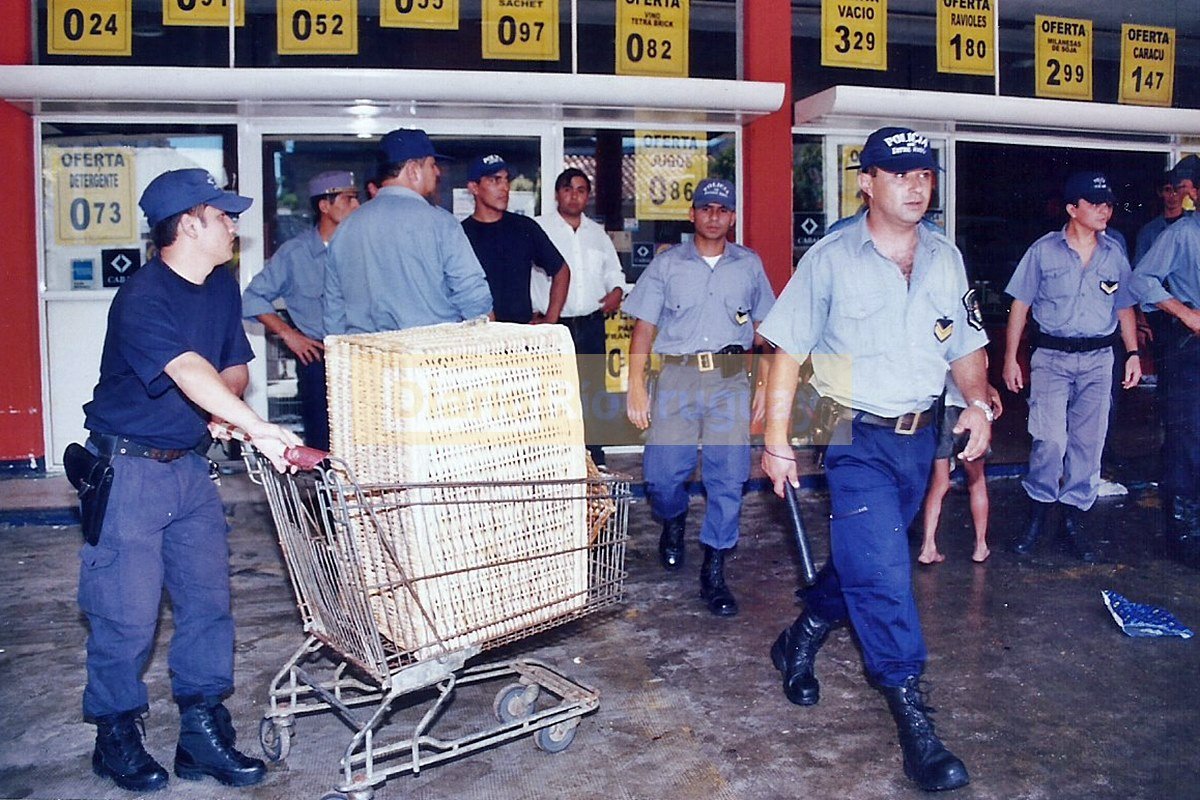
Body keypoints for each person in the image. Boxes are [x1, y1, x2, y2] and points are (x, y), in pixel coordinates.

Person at [760, 127, 991, 793]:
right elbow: (787, 352)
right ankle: (915, 720)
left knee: (866, 556)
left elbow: (966, 347)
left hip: (922, 435)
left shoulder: (946, 258)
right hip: (850, 432)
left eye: (925, 173)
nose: (917, 185)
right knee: (886, 574)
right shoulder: (831, 258)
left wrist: (976, 402)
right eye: (900, 173)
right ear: (866, 181)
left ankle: (801, 636)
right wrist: (776, 442)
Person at [79, 168, 301, 792]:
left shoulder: (222, 289)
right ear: (188, 224)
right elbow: (184, 367)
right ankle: (115, 732)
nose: (235, 225)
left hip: (191, 470)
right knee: (124, 613)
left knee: (208, 606)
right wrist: (255, 427)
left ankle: (202, 734)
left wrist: (221, 408)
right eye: (223, 214)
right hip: (130, 472)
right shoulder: (143, 296)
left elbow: (228, 371)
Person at [624, 178, 775, 617]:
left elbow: (767, 332)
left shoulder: (749, 265)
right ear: (692, 214)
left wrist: (764, 384)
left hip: (730, 381)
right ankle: (672, 521)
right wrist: (636, 385)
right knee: (663, 477)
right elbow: (644, 328)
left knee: (729, 477)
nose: (714, 215)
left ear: (732, 217)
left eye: (722, 209)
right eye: (705, 207)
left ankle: (714, 567)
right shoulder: (668, 265)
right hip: (676, 379)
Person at [1003, 171, 1141, 562]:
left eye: (1108, 204)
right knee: (1050, 440)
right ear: (1071, 208)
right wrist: (1011, 358)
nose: (1104, 210)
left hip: (1099, 361)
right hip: (1051, 359)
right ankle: (1038, 513)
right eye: (1095, 203)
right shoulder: (1044, 251)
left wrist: (1132, 354)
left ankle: (1071, 521)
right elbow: (1021, 305)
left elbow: (1124, 305)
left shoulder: (1114, 253)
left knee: (1088, 445)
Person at [324, 128, 493, 335]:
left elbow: (333, 314)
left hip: (367, 361)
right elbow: (474, 299)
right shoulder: (441, 223)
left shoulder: (345, 230)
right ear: (413, 169)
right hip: (430, 358)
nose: (437, 172)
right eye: (432, 165)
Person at [241, 170, 359, 451]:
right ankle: (327, 496)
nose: (357, 206)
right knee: (323, 443)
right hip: (319, 359)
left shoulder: (364, 247)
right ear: (324, 205)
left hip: (361, 356)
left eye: (357, 199)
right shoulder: (295, 254)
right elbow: (253, 297)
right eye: (348, 199)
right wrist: (289, 334)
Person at [1132, 156, 1200, 568]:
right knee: (1187, 438)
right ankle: (1185, 535)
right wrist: (1185, 313)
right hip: (1190, 346)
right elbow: (1141, 279)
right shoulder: (1184, 235)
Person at [534, 167, 626, 466]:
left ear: (588, 196)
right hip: (552, 327)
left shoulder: (596, 234)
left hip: (590, 324)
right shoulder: (539, 229)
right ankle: (556, 461)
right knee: (553, 394)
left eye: (581, 190)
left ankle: (594, 459)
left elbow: (614, 271)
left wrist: (616, 291)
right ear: (557, 194)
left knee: (593, 392)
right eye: (568, 189)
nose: (574, 196)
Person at [461, 154, 570, 324]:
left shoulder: (524, 227)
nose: (504, 187)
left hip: (520, 339)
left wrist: (550, 320)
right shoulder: (460, 234)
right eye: (495, 180)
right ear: (474, 187)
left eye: (506, 180)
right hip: (478, 338)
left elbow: (561, 270)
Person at [917, 378, 1003, 565]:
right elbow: (973, 375)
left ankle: (928, 547)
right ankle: (980, 547)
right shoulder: (974, 350)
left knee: (939, 484)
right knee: (977, 482)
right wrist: (990, 388)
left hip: (945, 413)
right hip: (970, 414)